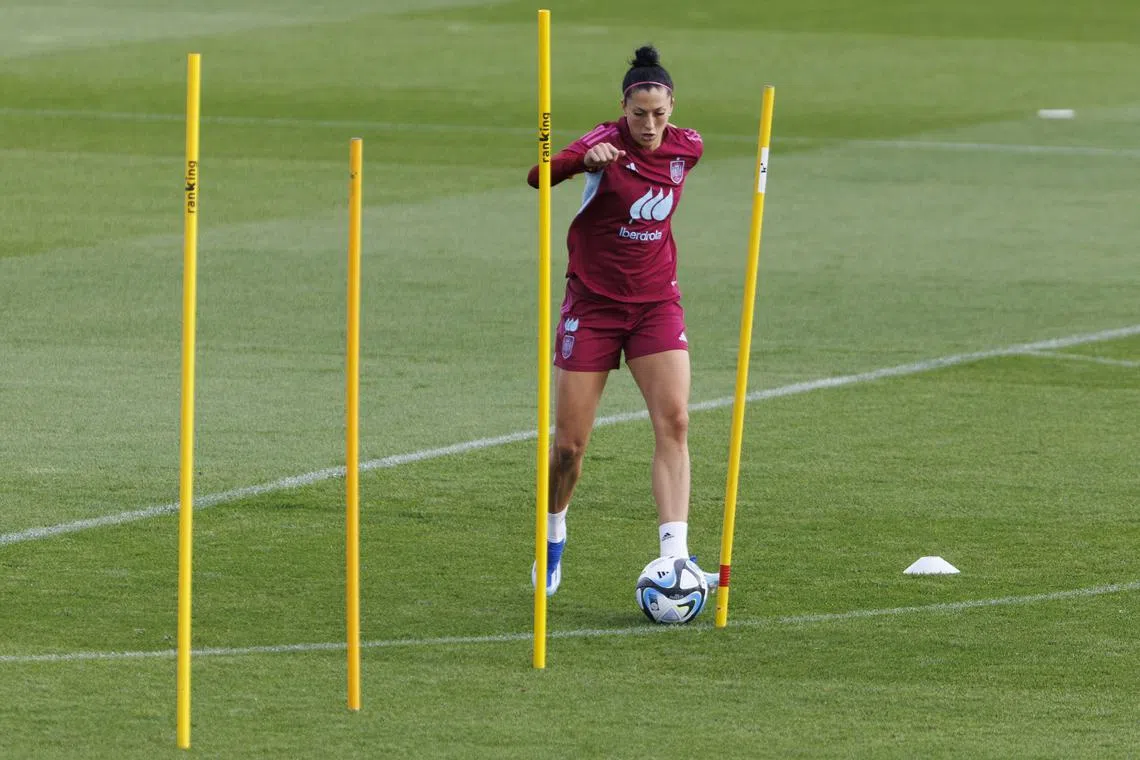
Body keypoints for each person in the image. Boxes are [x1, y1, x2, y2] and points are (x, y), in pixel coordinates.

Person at [527, 45, 716, 596]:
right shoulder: (601, 140)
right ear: (624, 108)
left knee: (675, 421)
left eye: (660, 114)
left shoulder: (690, 147)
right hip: (593, 304)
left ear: (672, 106)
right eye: (640, 115)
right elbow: (540, 176)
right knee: (569, 447)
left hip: (656, 303)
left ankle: (676, 557)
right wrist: (583, 163)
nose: (650, 125)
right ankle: (554, 536)